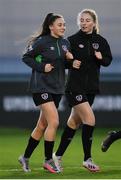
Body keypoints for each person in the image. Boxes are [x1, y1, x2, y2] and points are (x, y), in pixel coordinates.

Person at [52, 9, 112, 173]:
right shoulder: (70, 41)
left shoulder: (101, 41)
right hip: (74, 87)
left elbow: (108, 60)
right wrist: (70, 63)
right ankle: (87, 159)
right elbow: (60, 62)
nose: (84, 23)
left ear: (93, 22)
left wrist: (101, 58)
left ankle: (57, 155)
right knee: (90, 119)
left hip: (91, 88)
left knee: (73, 123)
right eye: (82, 20)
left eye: (87, 20)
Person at [18, 13, 74, 174]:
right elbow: (26, 57)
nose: (63, 27)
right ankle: (48, 160)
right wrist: (42, 67)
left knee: (42, 125)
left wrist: (70, 61)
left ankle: (25, 157)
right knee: (54, 122)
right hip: (41, 87)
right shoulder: (41, 42)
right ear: (50, 26)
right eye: (59, 24)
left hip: (57, 88)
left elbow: (62, 64)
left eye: (64, 24)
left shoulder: (65, 43)